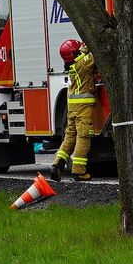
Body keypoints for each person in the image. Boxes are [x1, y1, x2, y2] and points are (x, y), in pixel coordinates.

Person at [49, 39, 96, 182]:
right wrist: (88, 45)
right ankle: (79, 171)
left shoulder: (74, 65)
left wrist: (82, 48)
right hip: (83, 108)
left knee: (70, 136)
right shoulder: (83, 64)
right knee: (83, 137)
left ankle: (57, 165)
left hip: (73, 108)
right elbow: (95, 54)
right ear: (75, 53)